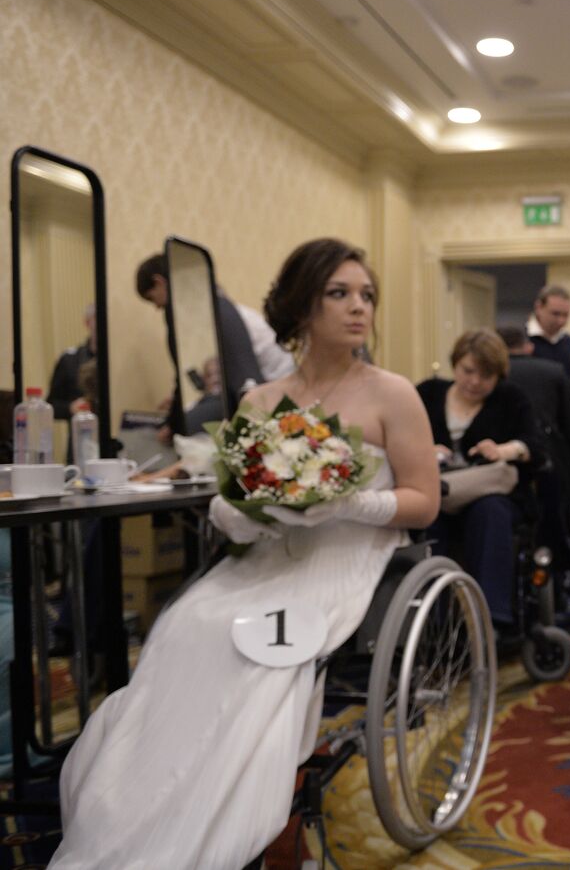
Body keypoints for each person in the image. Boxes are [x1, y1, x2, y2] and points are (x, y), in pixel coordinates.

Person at [54, 238, 439, 868]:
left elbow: (425, 499)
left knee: (258, 658)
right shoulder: (261, 401)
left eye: (366, 295)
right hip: (261, 559)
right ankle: (136, 807)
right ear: (301, 307)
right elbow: (233, 499)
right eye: (339, 294)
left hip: (343, 560)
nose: (358, 307)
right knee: (188, 626)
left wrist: (348, 506)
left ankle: (221, 823)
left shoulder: (391, 393)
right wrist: (241, 512)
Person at [417, 329, 543, 628]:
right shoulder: (428, 393)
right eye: (468, 371)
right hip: (438, 495)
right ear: (455, 364)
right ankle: (431, 620)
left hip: (489, 495)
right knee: (426, 518)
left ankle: (491, 616)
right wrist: (424, 449)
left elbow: (536, 446)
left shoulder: (511, 399)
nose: (474, 381)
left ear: (498, 375)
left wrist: (503, 450)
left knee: (491, 511)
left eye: (485, 376)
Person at [137, 253, 291, 439]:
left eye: (153, 300)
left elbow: (247, 380)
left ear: (159, 282)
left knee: (191, 424)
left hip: (274, 394)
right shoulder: (219, 310)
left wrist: (175, 424)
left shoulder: (221, 311)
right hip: (265, 387)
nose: (157, 308)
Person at [500, 324, 570, 542]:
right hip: (550, 459)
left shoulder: (491, 377)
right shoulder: (553, 370)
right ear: (527, 347)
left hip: (501, 466)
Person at [47, 304, 96, 422]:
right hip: (80, 434)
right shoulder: (69, 360)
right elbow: (51, 405)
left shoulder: (120, 362)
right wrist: (70, 408)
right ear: (87, 322)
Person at [527, 283, 570, 378]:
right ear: (539, 307)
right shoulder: (523, 338)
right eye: (555, 314)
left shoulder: (567, 340)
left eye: (566, 315)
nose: (561, 321)